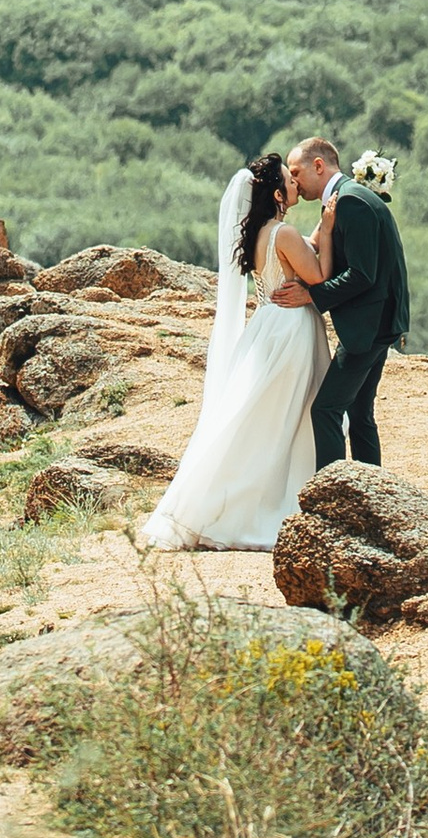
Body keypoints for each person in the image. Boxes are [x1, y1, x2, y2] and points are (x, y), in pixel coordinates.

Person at [139, 152, 333, 552]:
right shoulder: (285, 235)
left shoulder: (262, 233)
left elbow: (295, 258)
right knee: (287, 416)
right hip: (291, 330)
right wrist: (328, 231)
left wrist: (313, 235)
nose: (296, 183)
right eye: (290, 181)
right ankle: (269, 504)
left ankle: (230, 498)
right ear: (278, 194)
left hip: (266, 325)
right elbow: (318, 275)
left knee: (261, 416)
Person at [281, 136, 409, 468]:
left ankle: (333, 495)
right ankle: (373, 492)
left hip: (368, 327)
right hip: (380, 322)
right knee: (360, 413)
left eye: (296, 172)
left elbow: (362, 274)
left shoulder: (351, 202)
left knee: (325, 410)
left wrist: (311, 296)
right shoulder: (343, 201)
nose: (293, 181)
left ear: (319, 166)